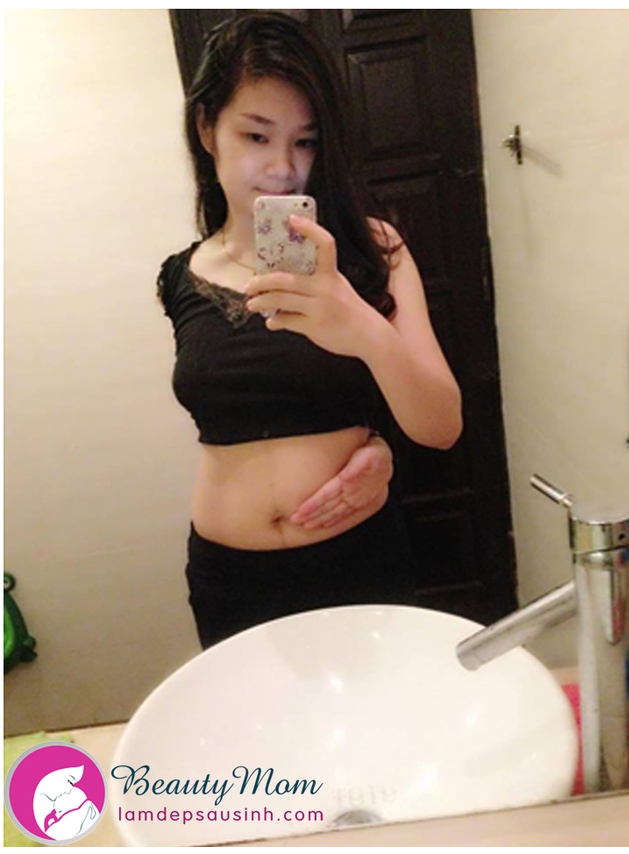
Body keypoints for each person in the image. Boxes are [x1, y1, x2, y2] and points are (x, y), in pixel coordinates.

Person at [157, 12, 462, 649]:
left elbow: (441, 426)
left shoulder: (375, 249)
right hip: (229, 576)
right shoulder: (181, 276)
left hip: (357, 562)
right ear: (207, 128)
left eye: (305, 141)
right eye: (256, 135)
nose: (282, 168)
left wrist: (358, 323)